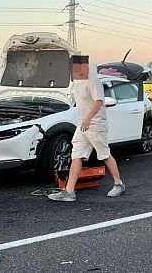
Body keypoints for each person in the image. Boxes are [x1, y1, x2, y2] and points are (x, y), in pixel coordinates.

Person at [48, 55, 125, 202]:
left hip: (95, 125)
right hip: (82, 125)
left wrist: (89, 119)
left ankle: (118, 184)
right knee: (76, 155)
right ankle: (69, 191)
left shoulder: (93, 81)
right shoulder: (78, 81)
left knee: (104, 154)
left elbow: (98, 101)